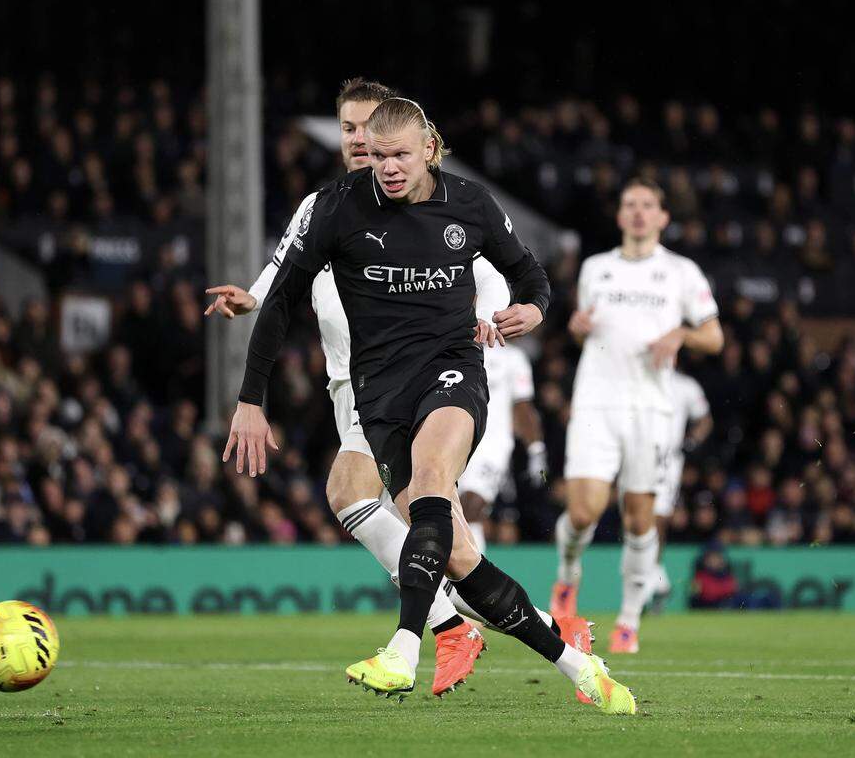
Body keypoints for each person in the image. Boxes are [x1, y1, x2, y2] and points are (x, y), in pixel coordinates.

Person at [222, 96, 634, 713]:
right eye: (378, 155)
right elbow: (281, 300)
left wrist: (533, 309)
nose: (386, 167)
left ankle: (404, 646)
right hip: (379, 393)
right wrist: (251, 399)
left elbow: (530, 275)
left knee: (434, 483)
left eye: (399, 155)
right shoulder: (339, 207)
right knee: (459, 556)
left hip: (451, 374)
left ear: (430, 150)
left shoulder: (468, 205)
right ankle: (577, 662)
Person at [552, 177, 724, 654]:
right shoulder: (596, 269)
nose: (639, 212)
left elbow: (714, 337)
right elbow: (584, 332)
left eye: (648, 205)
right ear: (620, 215)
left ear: (664, 217)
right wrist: (577, 327)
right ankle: (568, 578)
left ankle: (628, 620)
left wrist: (681, 336)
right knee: (583, 511)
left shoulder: (681, 273)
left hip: (650, 407)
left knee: (640, 517)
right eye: (630, 204)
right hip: (596, 400)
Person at [456, 340, 548, 554]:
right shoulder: (456, 344)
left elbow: (523, 406)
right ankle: (447, 576)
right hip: (453, 439)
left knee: (472, 506)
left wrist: (536, 448)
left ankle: (468, 580)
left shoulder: (513, 358)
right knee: (450, 509)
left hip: (491, 445)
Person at [646, 369, 712, 610]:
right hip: (636, 455)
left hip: (667, 460)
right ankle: (655, 577)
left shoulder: (686, 385)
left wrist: (691, 442)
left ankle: (651, 581)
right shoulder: (639, 378)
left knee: (658, 517)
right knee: (636, 519)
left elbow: (705, 419)